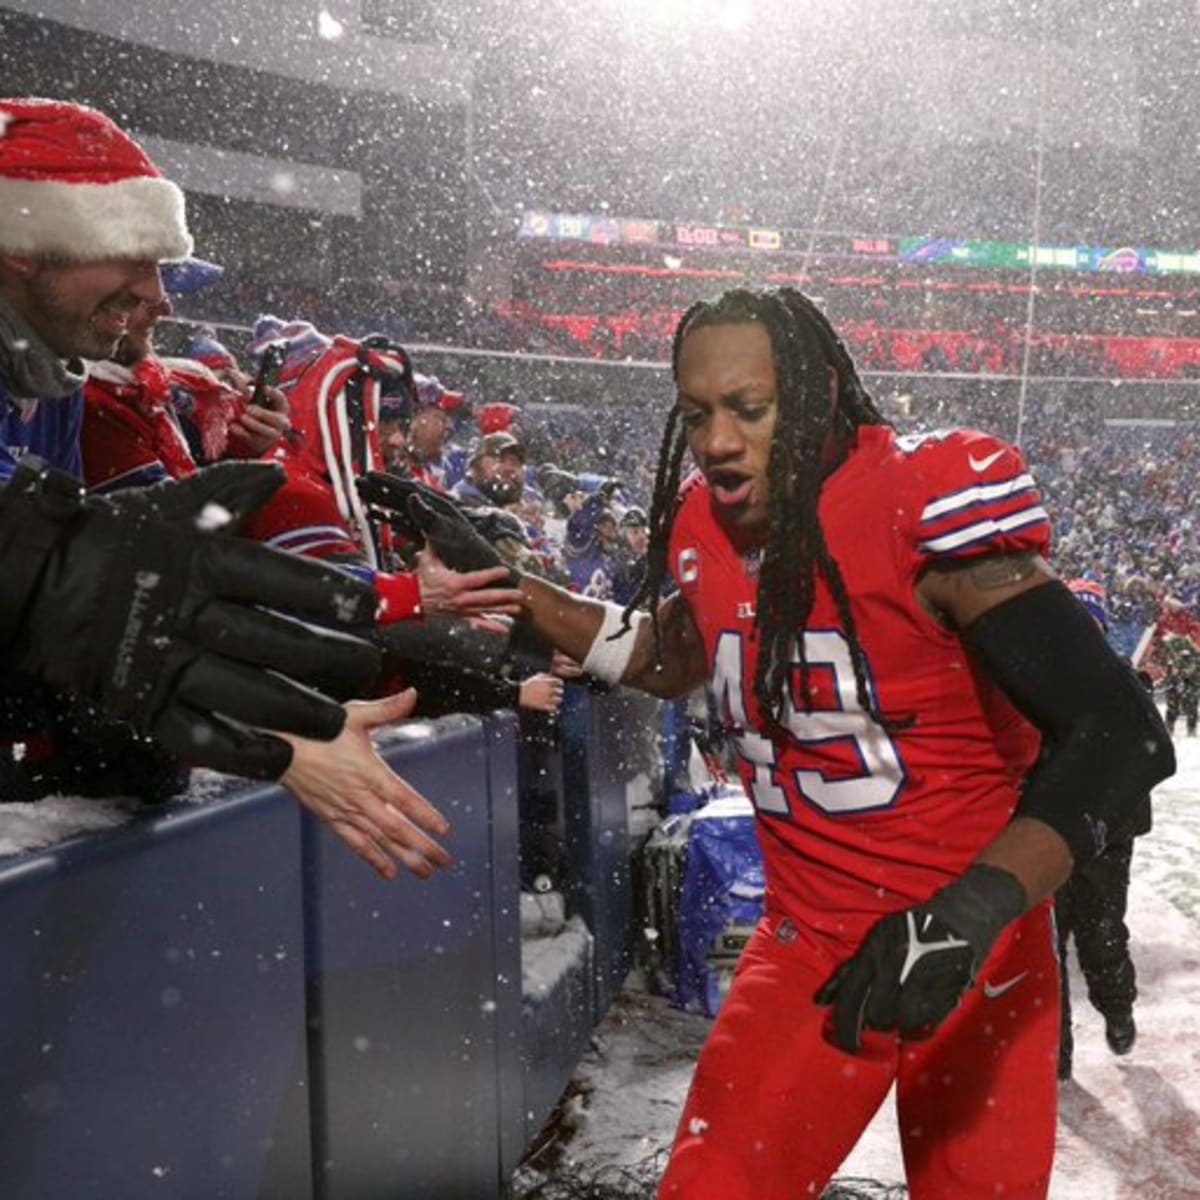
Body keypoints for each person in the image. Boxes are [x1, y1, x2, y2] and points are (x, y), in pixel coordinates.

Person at [409, 286, 1174, 1198]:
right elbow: (669, 653)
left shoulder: (919, 501)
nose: (718, 440)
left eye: (749, 408)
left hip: (977, 946)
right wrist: (519, 590)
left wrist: (967, 918)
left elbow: (1121, 733)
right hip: (806, 942)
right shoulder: (703, 518)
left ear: (812, 395)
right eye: (697, 414)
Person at [0, 97, 512, 881]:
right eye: (132, 255)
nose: (159, 298)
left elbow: (124, 574)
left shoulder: (56, 379)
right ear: (29, 244)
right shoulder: (97, 394)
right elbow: (95, 572)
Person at [1055, 579, 1150, 1080]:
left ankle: (1117, 1009)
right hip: (1047, 837)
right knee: (1044, 952)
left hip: (1106, 838)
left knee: (1102, 935)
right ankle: (1056, 1054)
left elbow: (1144, 762)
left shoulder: (1122, 684)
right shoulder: (1034, 677)